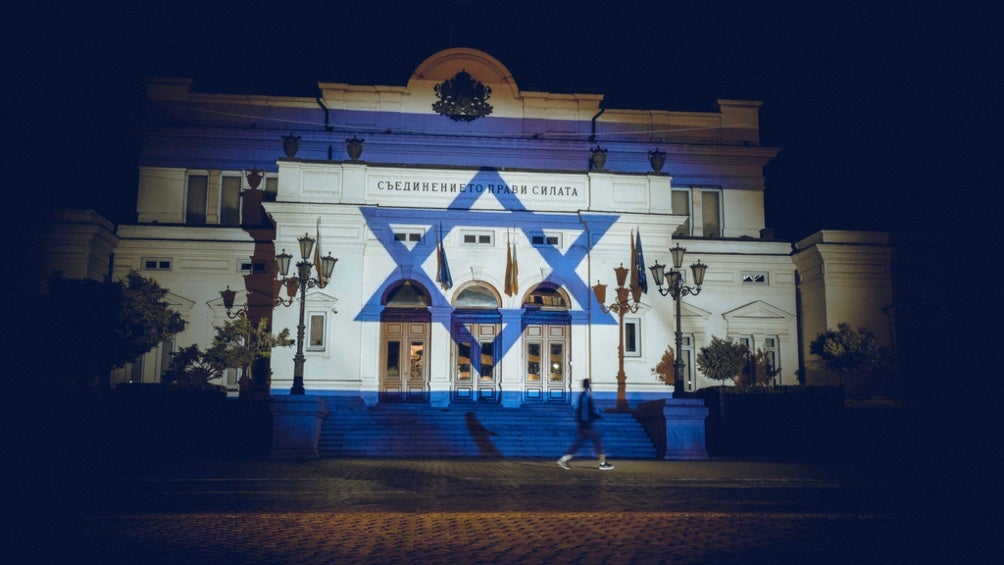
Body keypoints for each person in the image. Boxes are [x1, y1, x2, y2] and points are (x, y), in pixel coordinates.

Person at [558, 378, 614, 470]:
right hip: (586, 424)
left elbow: (585, 410)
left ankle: (564, 459)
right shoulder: (584, 396)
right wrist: (587, 422)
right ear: (587, 386)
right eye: (589, 384)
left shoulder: (584, 396)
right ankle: (602, 463)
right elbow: (584, 411)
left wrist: (594, 416)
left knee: (579, 443)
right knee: (597, 441)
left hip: (584, 424)